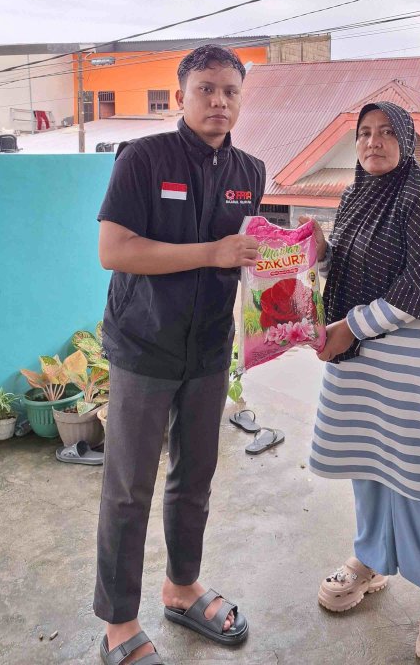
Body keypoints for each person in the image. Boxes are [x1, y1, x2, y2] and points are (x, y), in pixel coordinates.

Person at [94, 45, 266, 665]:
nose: (219, 101)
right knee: (128, 489)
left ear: (242, 99)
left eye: (230, 91)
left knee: (194, 476)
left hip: (209, 349)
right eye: (206, 90)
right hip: (144, 344)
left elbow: (249, 254)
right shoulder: (143, 159)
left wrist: (296, 256)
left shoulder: (252, 171)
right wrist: (211, 253)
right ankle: (118, 622)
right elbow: (114, 251)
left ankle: (182, 585)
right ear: (181, 97)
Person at [304, 102, 420, 665]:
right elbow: (351, 263)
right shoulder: (357, 195)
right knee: (369, 462)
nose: (373, 142)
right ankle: (371, 562)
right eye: (364, 133)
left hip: (409, 359)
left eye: (386, 133)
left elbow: (418, 287)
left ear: (409, 142)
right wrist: (312, 249)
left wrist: (346, 327)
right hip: (360, 357)